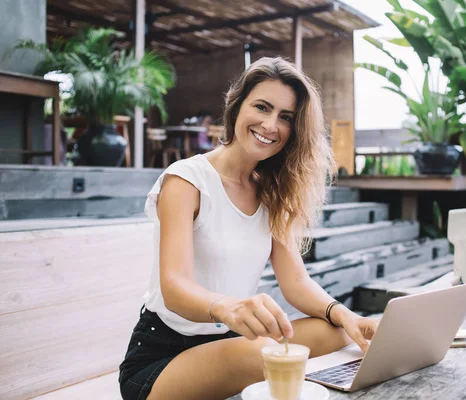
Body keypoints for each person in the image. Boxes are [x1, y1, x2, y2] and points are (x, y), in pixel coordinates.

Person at [118, 57, 379, 400]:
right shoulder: (187, 179)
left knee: (334, 333)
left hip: (233, 343)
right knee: (262, 356)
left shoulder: (272, 191)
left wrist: (347, 317)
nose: (271, 125)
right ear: (236, 105)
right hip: (164, 357)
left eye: (286, 117)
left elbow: (296, 282)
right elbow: (174, 287)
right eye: (262, 107)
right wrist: (230, 307)